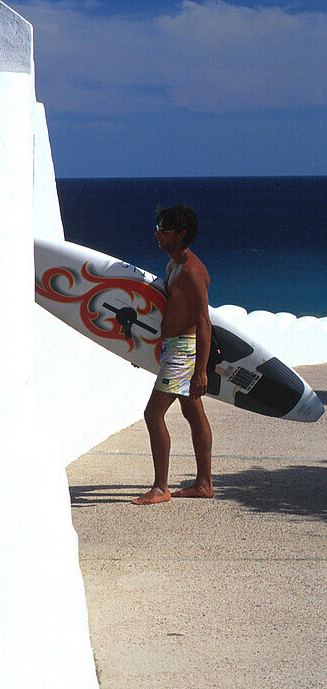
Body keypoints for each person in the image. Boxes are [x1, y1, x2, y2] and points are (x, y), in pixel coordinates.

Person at [132, 205, 214, 505]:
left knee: (152, 415)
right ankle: (204, 483)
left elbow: (204, 321)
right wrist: (142, 347)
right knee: (193, 413)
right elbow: (166, 309)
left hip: (183, 351)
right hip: (172, 348)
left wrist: (200, 371)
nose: (157, 233)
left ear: (180, 234)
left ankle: (160, 487)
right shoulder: (173, 266)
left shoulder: (191, 272)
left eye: (164, 230)